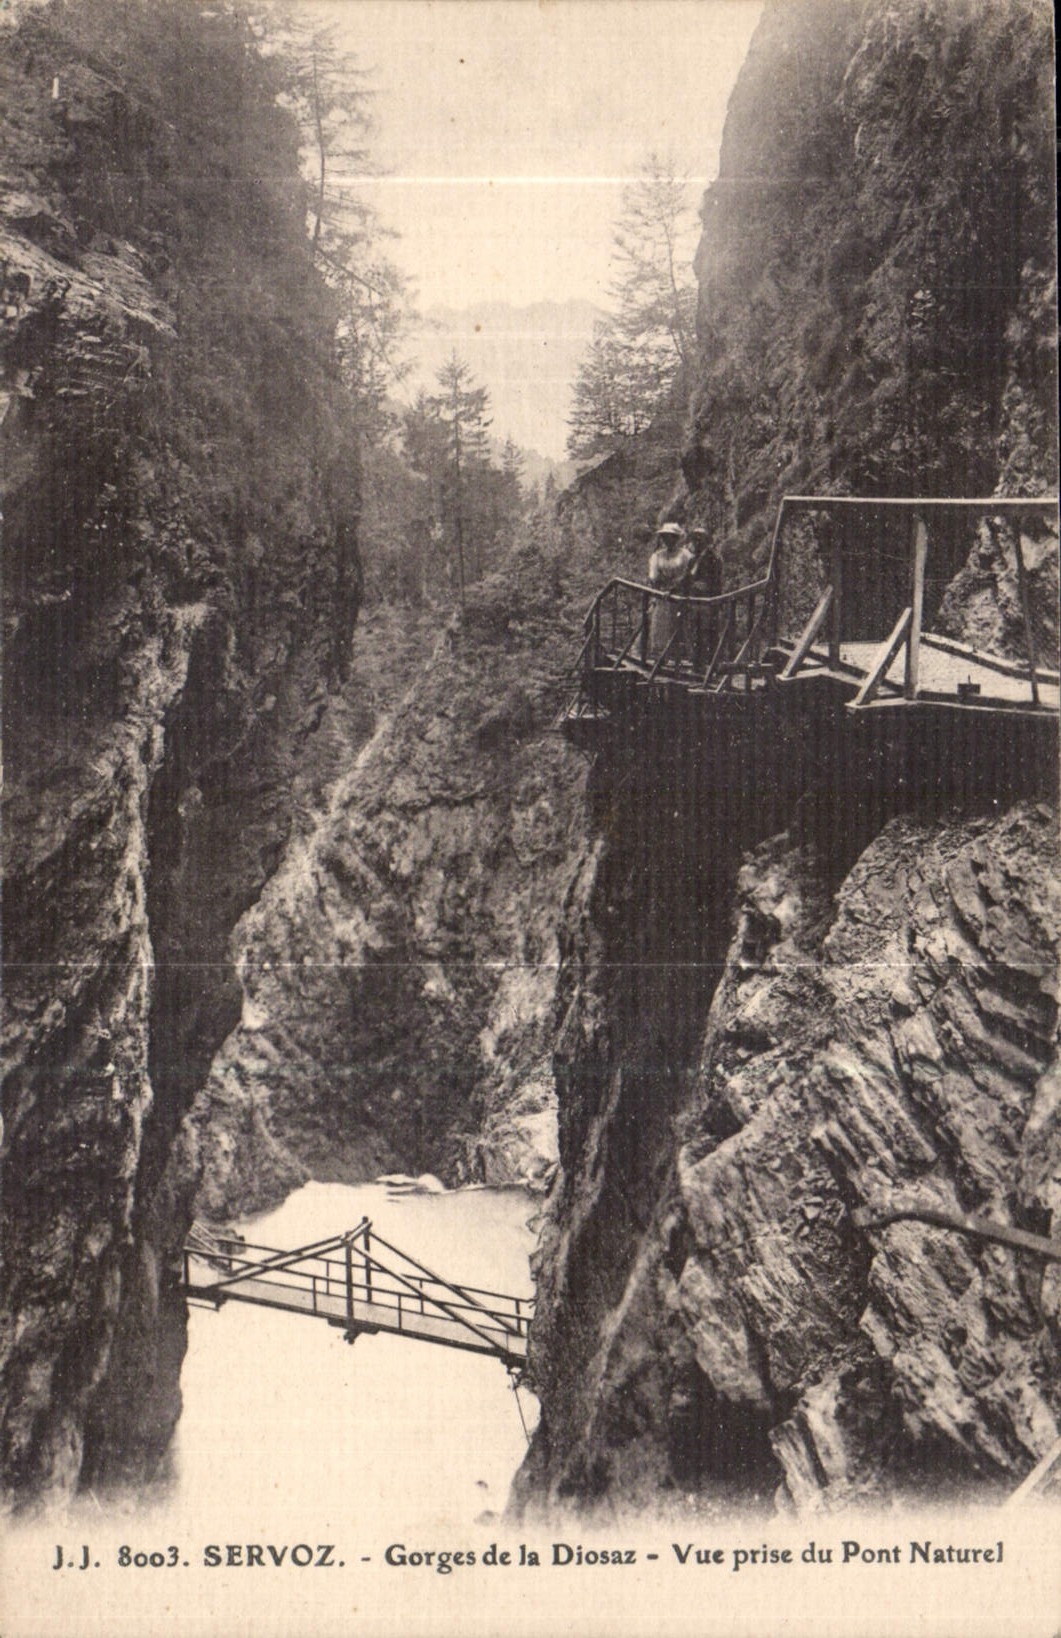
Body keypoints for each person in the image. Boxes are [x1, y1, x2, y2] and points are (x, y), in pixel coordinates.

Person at [647, 523, 693, 662]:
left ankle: (682, 657)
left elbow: (688, 575)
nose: (668, 540)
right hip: (663, 594)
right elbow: (653, 576)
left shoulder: (686, 555)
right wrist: (659, 586)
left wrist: (677, 586)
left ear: (677, 538)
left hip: (680, 593)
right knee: (661, 624)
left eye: (671, 537)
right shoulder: (657, 556)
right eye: (665, 537)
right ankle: (660, 656)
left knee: (681, 625)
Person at [685, 526, 724, 674]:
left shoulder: (713, 558)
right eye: (695, 540)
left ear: (706, 542)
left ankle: (713, 666)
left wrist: (706, 587)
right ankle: (697, 665)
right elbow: (686, 578)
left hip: (708, 601)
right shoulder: (692, 559)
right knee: (695, 632)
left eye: (700, 540)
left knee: (709, 633)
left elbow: (717, 580)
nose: (697, 542)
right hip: (695, 600)